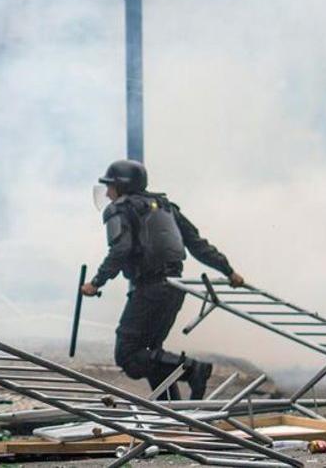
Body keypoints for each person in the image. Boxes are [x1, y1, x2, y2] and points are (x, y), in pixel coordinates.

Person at [80, 160, 245, 400]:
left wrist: (96, 283)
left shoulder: (120, 209)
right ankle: (171, 412)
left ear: (122, 186)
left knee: (128, 356)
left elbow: (120, 250)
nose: (107, 193)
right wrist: (228, 271)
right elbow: (198, 245)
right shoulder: (167, 207)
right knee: (150, 354)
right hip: (174, 288)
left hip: (149, 289)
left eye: (110, 186)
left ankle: (192, 369)